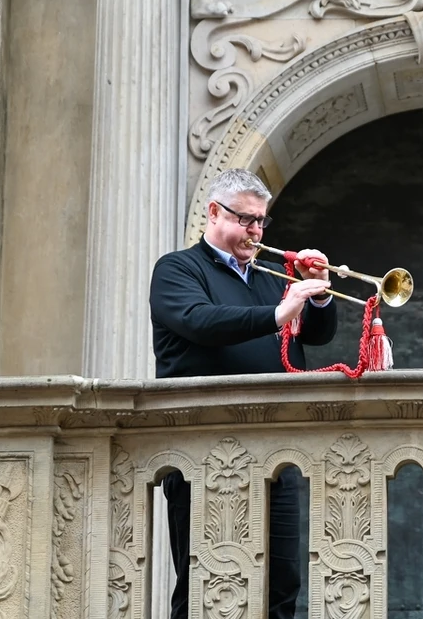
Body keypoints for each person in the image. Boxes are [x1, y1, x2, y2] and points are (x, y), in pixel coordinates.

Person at [149, 168, 338, 619]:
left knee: (282, 585)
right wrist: (276, 313)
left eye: (261, 222)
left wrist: (318, 295)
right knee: (206, 584)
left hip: (277, 452)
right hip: (203, 450)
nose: (256, 231)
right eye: (246, 219)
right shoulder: (178, 269)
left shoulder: (271, 277)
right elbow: (201, 322)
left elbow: (317, 335)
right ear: (213, 213)